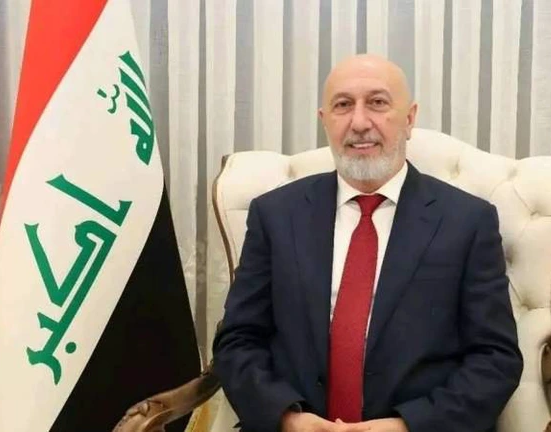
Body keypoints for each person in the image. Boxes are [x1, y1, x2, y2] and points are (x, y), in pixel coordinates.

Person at [212, 54, 523, 432]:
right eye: (343, 105)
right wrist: (288, 418)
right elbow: (238, 340)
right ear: (325, 120)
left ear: (409, 119)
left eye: (377, 102)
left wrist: (407, 426)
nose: (359, 123)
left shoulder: (468, 221)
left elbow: (495, 358)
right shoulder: (275, 215)